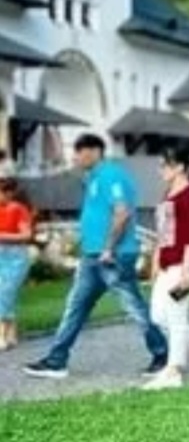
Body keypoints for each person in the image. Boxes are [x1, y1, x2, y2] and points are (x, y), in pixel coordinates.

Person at [24, 136, 168, 381]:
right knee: (75, 308)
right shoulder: (93, 177)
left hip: (113, 256)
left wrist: (108, 248)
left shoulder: (110, 175)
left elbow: (122, 212)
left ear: (93, 151)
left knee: (134, 307)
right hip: (92, 257)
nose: (75, 158)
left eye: (78, 152)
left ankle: (162, 355)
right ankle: (56, 361)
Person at [145, 149, 189, 389]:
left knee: (176, 315)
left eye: (165, 165)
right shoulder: (168, 194)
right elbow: (162, 234)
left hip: (186, 263)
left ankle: (174, 370)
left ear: (180, 167)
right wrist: (155, 262)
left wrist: (186, 269)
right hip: (167, 263)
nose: (160, 170)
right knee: (158, 315)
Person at [0, 170, 36, 350]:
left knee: (4, 294)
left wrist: (2, 236)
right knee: (7, 295)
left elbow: (26, 235)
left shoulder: (17, 209)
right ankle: (11, 335)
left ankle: (1, 335)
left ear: (9, 193)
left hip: (15, 257)